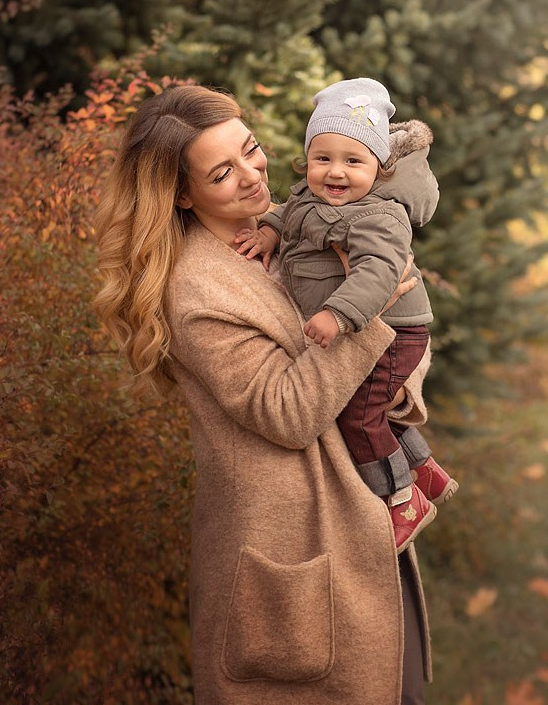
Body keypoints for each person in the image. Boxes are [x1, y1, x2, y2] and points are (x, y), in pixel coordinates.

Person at [93, 84, 431, 703]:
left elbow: (406, 332)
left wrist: (389, 355)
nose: (252, 176)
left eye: (252, 151)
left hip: (367, 523)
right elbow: (287, 411)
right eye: (223, 173)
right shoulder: (196, 290)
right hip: (292, 549)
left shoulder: (300, 227)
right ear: (181, 194)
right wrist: (370, 312)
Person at [235, 78, 458, 556]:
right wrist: (271, 234)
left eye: (353, 161)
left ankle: (401, 500)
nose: (335, 173)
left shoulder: (377, 215)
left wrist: (337, 315)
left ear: (378, 168)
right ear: (308, 159)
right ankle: (425, 471)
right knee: (371, 409)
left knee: (358, 416)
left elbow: (380, 272)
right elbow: (290, 211)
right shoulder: (314, 198)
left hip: (394, 332)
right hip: (374, 327)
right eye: (323, 159)